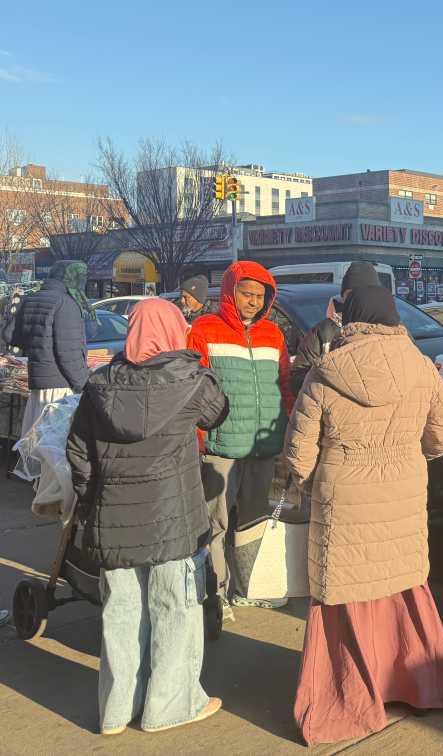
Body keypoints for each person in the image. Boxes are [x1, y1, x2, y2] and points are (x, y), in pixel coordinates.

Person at [283, 285, 443, 746]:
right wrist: (410, 451)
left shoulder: (325, 373)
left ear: (350, 319)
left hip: (344, 500)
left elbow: (299, 456)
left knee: (346, 594)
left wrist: (294, 481)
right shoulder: (421, 367)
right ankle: (416, 684)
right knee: (400, 587)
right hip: (401, 493)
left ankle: (349, 701)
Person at [65, 299, 229, 735]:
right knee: (175, 609)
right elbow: (220, 413)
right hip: (174, 518)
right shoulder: (192, 380)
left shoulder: (100, 385)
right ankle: (169, 706)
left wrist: (92, 496)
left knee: (120, 614)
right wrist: (194, 360)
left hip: (113, 520)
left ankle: (116, 712)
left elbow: (78, 453)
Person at [188, 261, 293, 615]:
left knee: (253, 521)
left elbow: (284, 386)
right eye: (246, 293)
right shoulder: (204, 329)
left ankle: (249, 585)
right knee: (215, 523)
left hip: (263, 447)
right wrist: (201, 437)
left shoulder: (274, 336)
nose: (253, 301)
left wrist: (287, 429)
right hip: (222, 446)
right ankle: (214, 595)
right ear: (231, 293)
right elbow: (195, 388)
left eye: (260, 296)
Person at [11, 260, 90, 438]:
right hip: (60, 390)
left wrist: (38, 346)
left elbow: (12, 336)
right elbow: (68, 354)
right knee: (53, 450)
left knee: (34, 447)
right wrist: (85, 385)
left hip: (38, 385)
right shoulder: (66, 303)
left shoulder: (31, 298)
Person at [289, 260, 380, 397]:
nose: (355, 300)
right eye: (350, 295)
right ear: (343, 296)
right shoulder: (324, 333)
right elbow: (298, 378)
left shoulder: (394, 330)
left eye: (361, 294)